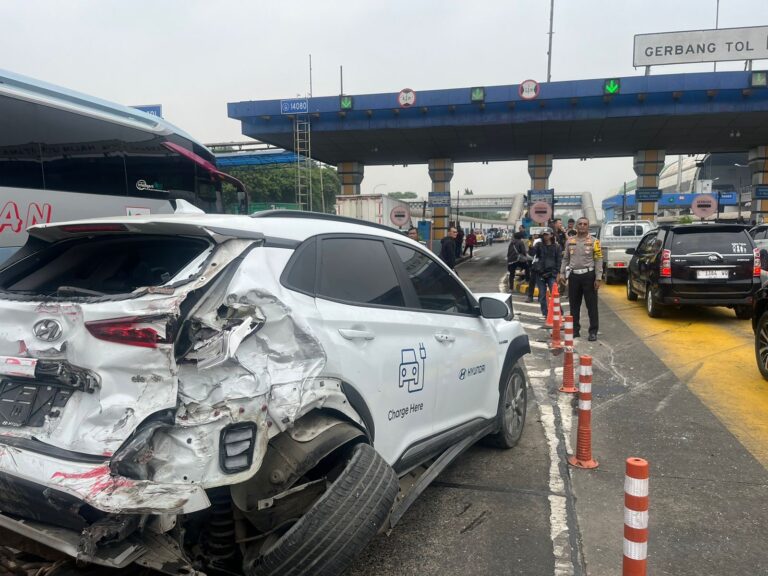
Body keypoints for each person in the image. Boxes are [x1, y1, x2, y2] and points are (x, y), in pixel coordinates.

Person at [557, 217, 603, 341]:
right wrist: (562, 274)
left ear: (588, 227)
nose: (582, 226)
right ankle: (575, 330)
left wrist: (598, 278)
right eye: (580, 224)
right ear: (576, 226)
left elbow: (598, 259)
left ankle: (593, 331)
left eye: (585, 224)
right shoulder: (570, 241)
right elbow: (565, 258)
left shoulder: (595, 241)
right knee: (574, 306)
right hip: (574, 277)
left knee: (591, 306)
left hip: (589, 276)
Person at [531, 228, 562, 317]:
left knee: (554, 294)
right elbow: (532, 253)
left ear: (551, 235)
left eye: (547, 234)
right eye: (544, 234)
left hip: (552, 273)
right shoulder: (539, 245)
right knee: (542, 295)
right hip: (540, 273)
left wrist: (558, 273)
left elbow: (559, 261)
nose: (545, 236)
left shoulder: (557, 247)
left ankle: (559, 312)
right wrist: (532, 243)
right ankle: (545, 313)